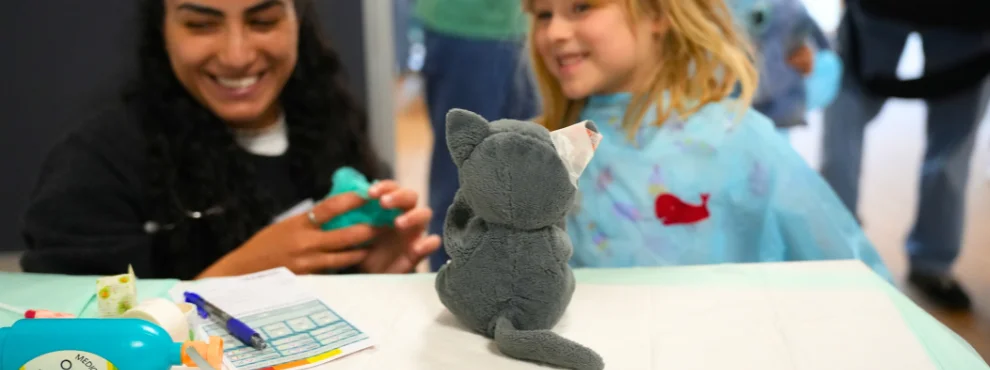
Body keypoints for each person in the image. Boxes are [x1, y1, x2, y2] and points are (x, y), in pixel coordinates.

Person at [19, 0, 441, 280]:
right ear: (162, 28)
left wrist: (372, 275)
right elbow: (64, 336)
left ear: (298, 20)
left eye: (263, 21)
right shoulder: (96, 163)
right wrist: (238, 276)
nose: (237, 55)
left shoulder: (333, 128)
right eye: (202, 25)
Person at [522, 0, 892, 281]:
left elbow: (848, 271)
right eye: (542, 15)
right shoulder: (546, 149)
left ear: (656, 13)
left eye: (581, 6)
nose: (554, 32)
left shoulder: (737, 139)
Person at [820, 0, 990, 309]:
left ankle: (832, 246)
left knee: (846, 115)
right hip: (965, 21)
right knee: (952, 143)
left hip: (921, 16)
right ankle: (930, 263)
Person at [413, 0, 541, 271]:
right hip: (469, 30)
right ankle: (453, 286)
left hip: (518, 25)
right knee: (463, 181)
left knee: (525, 177)